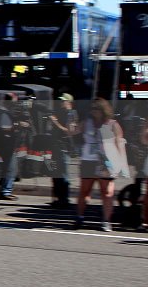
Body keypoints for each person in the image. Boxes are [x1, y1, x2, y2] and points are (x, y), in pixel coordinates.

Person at [76, 98, 125, 231]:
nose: (93, 111)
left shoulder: (112, 124)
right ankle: (79, 217)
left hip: (106, 162)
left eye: (96, 109)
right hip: (88, 161)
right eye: (92, 109)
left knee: (107, 193)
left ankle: (106, 221)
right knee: (84, 191)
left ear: (103, 110)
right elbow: (74, 131)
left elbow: (119, 143)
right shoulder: (87, 122)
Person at [46, 93, 78, 208]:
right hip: (56, 146)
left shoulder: (71, 114)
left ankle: (64, 199)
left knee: (63, 174)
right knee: (56, 173)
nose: (61, 102)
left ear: (69, 102)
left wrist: (55, 122)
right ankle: (58, 198)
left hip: (64, 147)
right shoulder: (60, 112)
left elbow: (70, 131)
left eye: (63, 101)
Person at [0, 93, 21, 201]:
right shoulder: (3, 113)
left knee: (8, 168)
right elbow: (4, 128)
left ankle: (4, 190)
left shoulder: (4, 112)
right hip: (6, 145)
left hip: (6, 144)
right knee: (11, 168)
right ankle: (6, 191)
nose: (15, 105)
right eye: (14, 102)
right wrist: (17, 126)